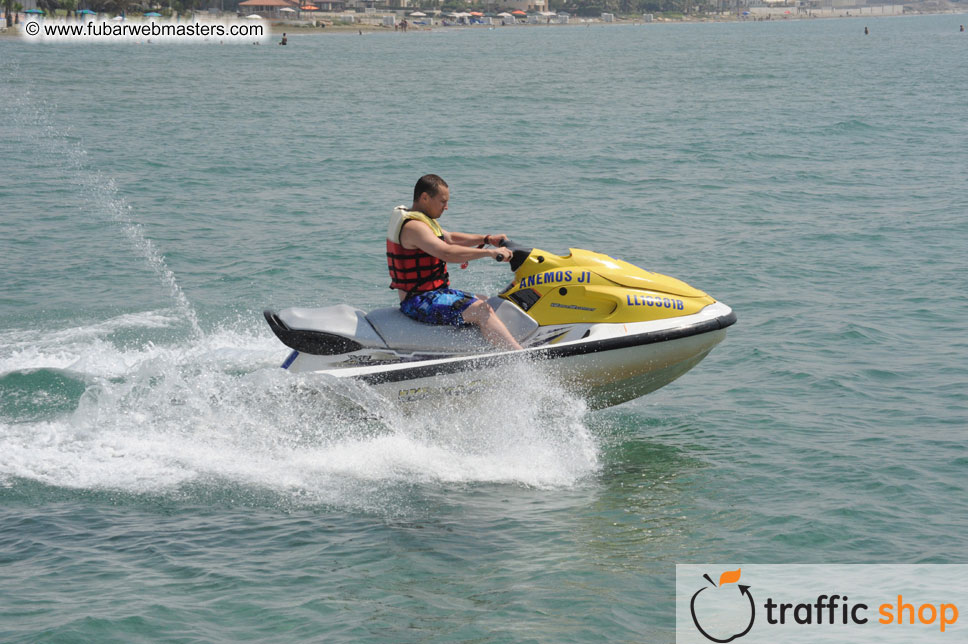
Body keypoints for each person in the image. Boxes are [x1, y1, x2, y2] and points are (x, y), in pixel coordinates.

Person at [387, 175, 523, 350]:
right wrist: (489, 253)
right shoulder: (414, 227)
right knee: (482, 310)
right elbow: (446, 252)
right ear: (425, 198)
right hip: (419, 302)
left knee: (486, 301)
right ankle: (519, 357)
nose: (446, 207)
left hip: (434, 294)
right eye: (443, 202)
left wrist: (487, 238)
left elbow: (449, 238)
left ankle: (494, 348)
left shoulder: (422, 219)